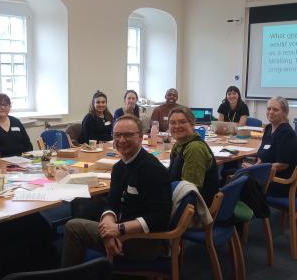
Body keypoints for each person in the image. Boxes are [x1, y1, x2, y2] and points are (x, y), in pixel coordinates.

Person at [62, 115, 172, 267]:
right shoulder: (119, 167)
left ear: (140, 137)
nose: (121, 140)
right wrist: (108, 225)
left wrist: (119, 229)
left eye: (128, 135)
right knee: (90, 206)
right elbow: (112, 202)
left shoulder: (152, 169)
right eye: (117, 135)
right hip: (123, 230)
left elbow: (161, 217)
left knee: (73, 227)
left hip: (146, 242)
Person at [243, 96, 297, 196]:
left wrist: (256, 169)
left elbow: (282, 165)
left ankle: (258, 211)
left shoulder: (287, 133)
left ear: (285, 113)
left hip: (278, 181)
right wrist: (255, 166)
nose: (271, 112)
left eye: (275, 109)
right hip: (264, 175)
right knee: (237, 177)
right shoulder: (268, 128)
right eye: (269, 109)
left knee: (240, 183)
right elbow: (262, 155)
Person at [167, 107, 219, 206]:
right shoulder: (179, 144)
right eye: (172, 123)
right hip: (178, 195)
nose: (177, 126)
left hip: (194, 208)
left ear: (192, 124)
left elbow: (189, 191)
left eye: (182, 122)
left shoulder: (195, 148)